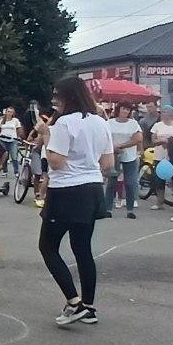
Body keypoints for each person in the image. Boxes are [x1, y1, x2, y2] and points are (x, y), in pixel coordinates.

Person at [36, 76, 113, 326]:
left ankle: (73, 301)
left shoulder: (64, 123)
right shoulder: (100, 123)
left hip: (66, 190)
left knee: (48, 247)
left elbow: (56, 161)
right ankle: (89, 307)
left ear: (68, 97)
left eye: (57, 96)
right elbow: (108, 163)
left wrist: (46, 135)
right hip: (92, 188)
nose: (55, 101)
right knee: (82, 248)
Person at [104, 104, 143, 219]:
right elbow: (105, 137)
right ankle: (108, 208)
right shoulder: (110, 123)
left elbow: (138, 139)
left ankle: (130, 209)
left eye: (127, 109)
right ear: (118, 110)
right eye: (123, 108)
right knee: (112, 182)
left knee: (130, 182)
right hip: (113, 154)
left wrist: (122, 146)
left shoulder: (133, 123)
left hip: (129, 155)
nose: (125, 111)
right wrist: (113, 147)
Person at [146, 106, 173, 210]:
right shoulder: (157, 125)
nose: (164, 114)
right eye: (162, 112)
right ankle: (159, 203)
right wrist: (162, 141)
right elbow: (153, 140)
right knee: (159, 179)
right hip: (160, 156)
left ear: (172, 113)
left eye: (166, 112)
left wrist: (172, 140)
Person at [0, 106, 25, 179]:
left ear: (13, 113)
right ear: (6, 112)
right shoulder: (2, 120)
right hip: (3, 140)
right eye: (8, 112)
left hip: (12, 140)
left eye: (11, 112)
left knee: (14, 156)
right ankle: (5, 171)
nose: (9, 113)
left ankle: (16, 172)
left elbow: (19, 129)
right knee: (4, 156)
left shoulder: (15, 120)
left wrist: (19, 137)